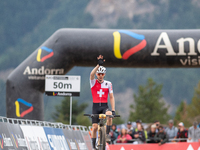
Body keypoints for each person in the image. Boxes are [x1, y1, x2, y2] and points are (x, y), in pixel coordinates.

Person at [90, 55, 116, 150]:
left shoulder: (108, 84)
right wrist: (98, 65)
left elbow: (111, 97)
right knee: (95, 127)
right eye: (99, 74)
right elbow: (91, 74)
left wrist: (113, 110)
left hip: (104, 106)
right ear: (97, 74)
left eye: (102, 74)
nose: (100, 75)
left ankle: (107, 134)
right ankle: (93, 145)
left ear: (104, 74)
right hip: (96, 107)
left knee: (109, 115)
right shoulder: (93, 82)